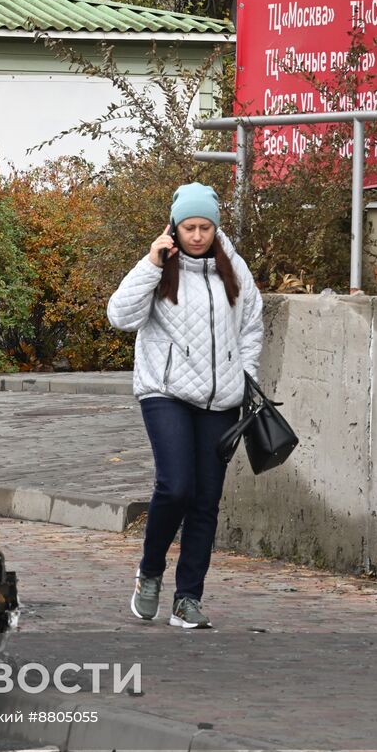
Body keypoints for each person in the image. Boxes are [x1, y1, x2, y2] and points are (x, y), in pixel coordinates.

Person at [106, 182, 263, 629]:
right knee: (176, 487)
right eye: (189, 227)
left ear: (215, 226)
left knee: (206, 500)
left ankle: (188, 598)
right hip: (166, 392)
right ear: (175, 226)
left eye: (205, 226)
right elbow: (120, 317)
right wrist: (152, 263)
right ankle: (150, 572)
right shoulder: (160, 265)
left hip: (222, 399)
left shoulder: (232, 266)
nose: (197, 235)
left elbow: (251, 321)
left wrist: (244, 373)